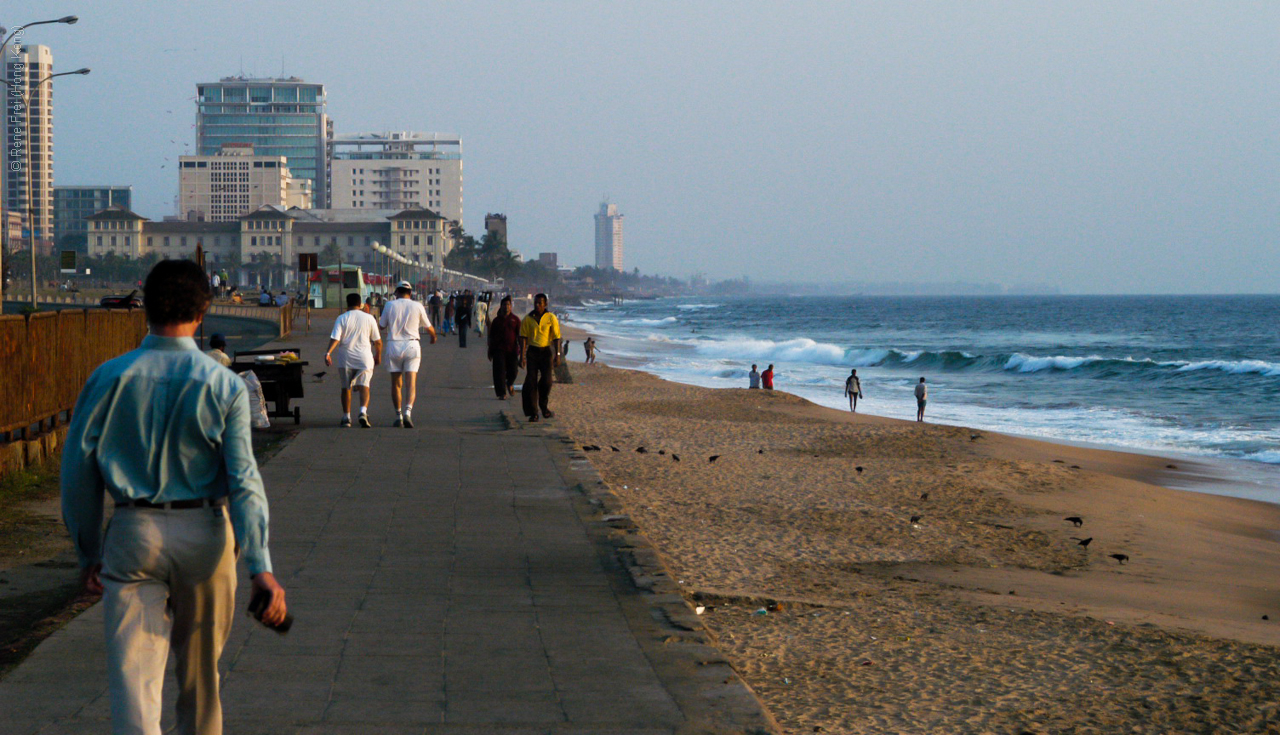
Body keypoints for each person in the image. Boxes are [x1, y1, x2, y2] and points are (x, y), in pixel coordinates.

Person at [61, 259, 286, 735]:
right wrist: (260, 566)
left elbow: (78, 474)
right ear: (203, 310)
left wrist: (88, 552)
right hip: (206, 534)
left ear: (145, 308)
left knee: (134, 683)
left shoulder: (108, 377)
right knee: (201, 680)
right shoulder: (223, 384)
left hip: (132, 531)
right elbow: (245, 479)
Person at [378, 280, 436, 428]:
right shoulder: (417, 306)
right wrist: (433, 337)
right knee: (411, 383)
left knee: (396, 383)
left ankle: (398, 415)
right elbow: (429, 327)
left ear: (397, 292)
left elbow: (382, 325)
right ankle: (408, 413)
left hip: (393, 344)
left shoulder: (389, 305)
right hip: (412, 345)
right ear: (410, 293)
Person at [325, 292, 383, 428]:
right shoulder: (369, 318)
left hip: (346, 358)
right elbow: (378, 341)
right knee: (365, 386)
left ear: (347, 304)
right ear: (360, 304)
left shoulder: (342, 318)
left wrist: (328, 353)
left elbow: (336, 338)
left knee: (346, 388)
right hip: (365, 358)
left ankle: (346, 417)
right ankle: (363, 412)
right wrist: (378, 355)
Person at [518, 293, 561, 422]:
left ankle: (543, 405)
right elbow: (523, 337)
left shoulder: (551, 318)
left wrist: (557, 355)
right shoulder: (528, 318)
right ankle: (533, 412)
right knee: (531, 382)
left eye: (540, 303)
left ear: (545, 304)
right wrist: (522, 356)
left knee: (547, 381)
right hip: (532, 352)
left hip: (546, 352)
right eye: (535, 303)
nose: (537, 305)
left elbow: (557, 338)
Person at [487, 295, 521, 400]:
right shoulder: (496, 321)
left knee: (514, 371)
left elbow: (520, 336)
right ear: (501, 306)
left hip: (512, 350)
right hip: (499, 350)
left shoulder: (516, 320)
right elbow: (491, 336)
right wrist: (490, 350)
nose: (506, 307)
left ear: (511, 307)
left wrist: (522, 351)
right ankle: (502, 393)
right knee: (499, 372)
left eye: (508, 305)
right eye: (504, 305)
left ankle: (509, 383)